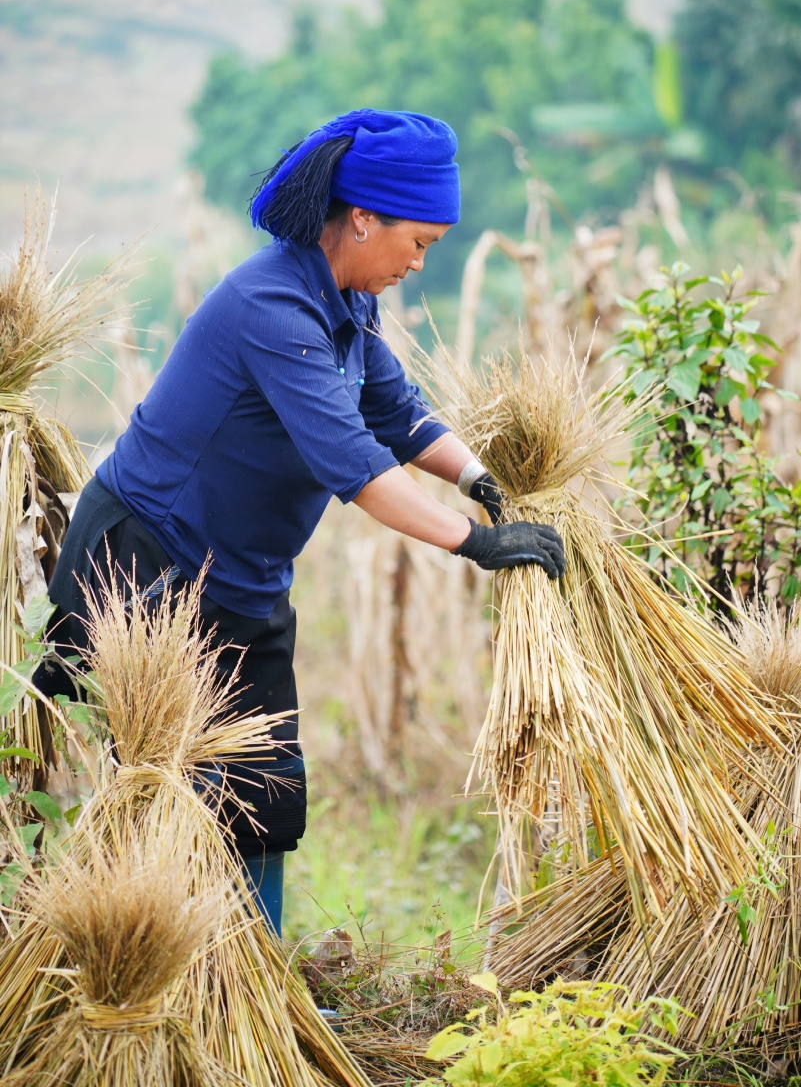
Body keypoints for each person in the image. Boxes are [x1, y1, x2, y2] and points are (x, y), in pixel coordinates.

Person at [40, 109, 565, 937]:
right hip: (148, 565)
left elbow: (399, 414)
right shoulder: (272, 306)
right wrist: (475, 543)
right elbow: (357, 467)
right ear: (362, 218)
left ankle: (255, 979)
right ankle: (153, 963)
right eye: (416, 243)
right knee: (173, 791)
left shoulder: (346, 303)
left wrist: (481, 483)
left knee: (261, 795)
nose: (417, 264)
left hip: (242, 579)